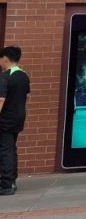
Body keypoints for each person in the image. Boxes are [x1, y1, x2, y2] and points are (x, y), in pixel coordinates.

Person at [0, 46, 30, 196]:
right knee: (10, 149)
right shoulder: (24, 75)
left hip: (5, 119)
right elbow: (26, 97)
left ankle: (6, 184)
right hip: (18, 117)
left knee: (5, 150)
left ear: (5, 58)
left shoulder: (5, 76)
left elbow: (1, 100)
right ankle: (11, 181)